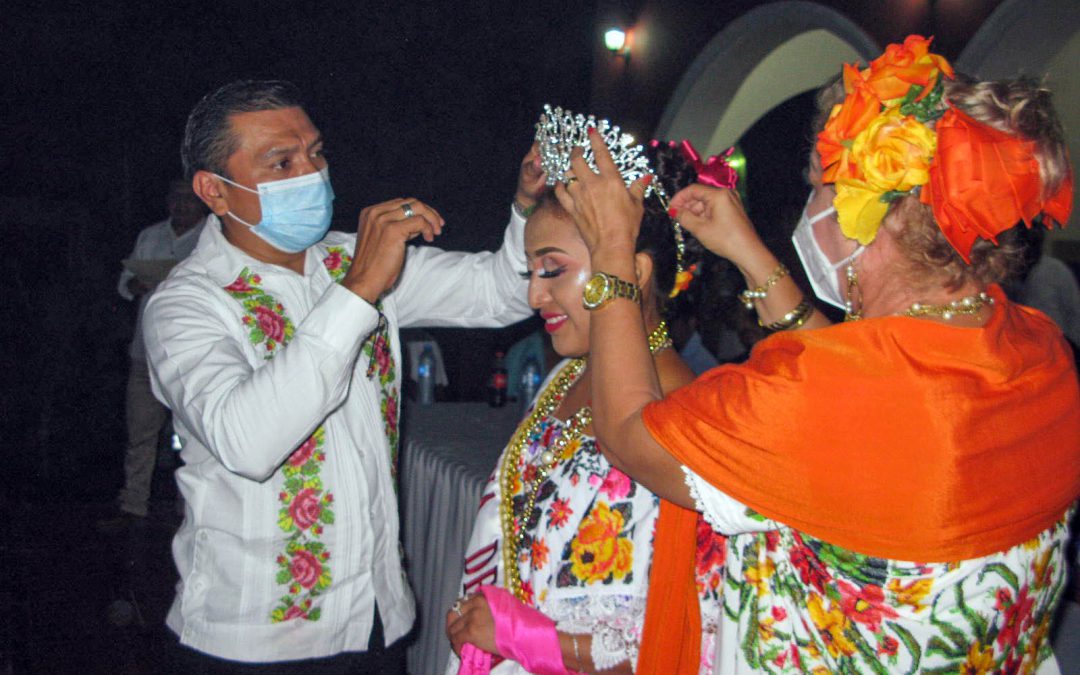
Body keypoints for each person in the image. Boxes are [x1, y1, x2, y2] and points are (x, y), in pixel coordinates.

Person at [556, 37, 1078, 673]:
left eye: (818, 190)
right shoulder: (1035, 348)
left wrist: (611, 250)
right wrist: (750, 253)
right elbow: (856, 390)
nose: (809, 210)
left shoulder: (818, 393)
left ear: (873, 218)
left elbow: (629, 435)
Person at [144, 79, 540, 671]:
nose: (312, 174)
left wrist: (527, 208)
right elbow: (248, 441)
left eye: (316, 153)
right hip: (253, 637)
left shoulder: (348, 258)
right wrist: (358, 291)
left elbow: (499, 296)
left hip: (376, 619)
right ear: (214, 191)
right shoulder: (188, 303)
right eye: (282, 161)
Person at [445, 116, 728, 674]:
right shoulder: (567, 378)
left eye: (553, 269)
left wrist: (529, 639)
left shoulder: (690, 418)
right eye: (531, 271)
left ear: (634, 271)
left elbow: (696, 636)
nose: (533, 294)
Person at [96, 179, 207, 532]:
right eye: (175, 198)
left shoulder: (213, 236)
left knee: (194, 437)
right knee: (140, 435)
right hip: (146, 351)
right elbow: (124, 283)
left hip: (193, 355)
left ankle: (192, 511)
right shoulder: (151, 235)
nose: (181, 205)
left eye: (189, 199)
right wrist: (136, 284)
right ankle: (133, 506)